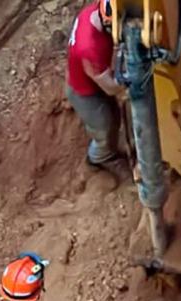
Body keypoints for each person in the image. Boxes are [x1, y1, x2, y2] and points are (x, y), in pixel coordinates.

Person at [66, 0, 126, 172]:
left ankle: (110, 150)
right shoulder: (89, 47)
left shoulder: (94, 11)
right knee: (104, 128)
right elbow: (110, 87)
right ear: (109, 22)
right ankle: (99, 158)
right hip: (84, 92)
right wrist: (130, 85)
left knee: (114, 116)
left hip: (87, 78)